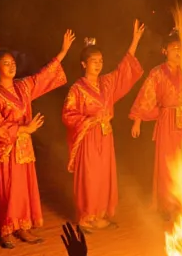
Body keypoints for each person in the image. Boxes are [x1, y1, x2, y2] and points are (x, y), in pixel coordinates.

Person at [0, 30, 74, 248]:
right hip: (7, 148)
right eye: (6, 63)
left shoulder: (23, 87)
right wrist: (23, 128)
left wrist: (62, 52)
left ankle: (23, 227)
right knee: (8, 188)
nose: (11, 66)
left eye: (13, 62)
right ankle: (6, 229)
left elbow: (42, 77)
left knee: (24, 187)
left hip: (24, 147)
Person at [62, 21, 144, 231]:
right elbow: (68, 115)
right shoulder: (77, 89)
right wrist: (89, 121)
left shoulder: (106, 83)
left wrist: (134, 41)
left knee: (103, 175)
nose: (98, 64)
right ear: (83, 64)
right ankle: (85, 217)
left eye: (100, 60)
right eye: (93, 61)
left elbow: (124, 70)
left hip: (106, 135)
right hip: (88, 137)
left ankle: (99, 215)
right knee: (89, 176)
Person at [129, 29, 182, 217]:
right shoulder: (157, 73)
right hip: (167, 122)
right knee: (166, 162)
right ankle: (167, 204)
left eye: (180, 48)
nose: (177, 52)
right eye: (173, 48)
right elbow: (146, 96)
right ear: (164, 51)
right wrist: (137, 121)